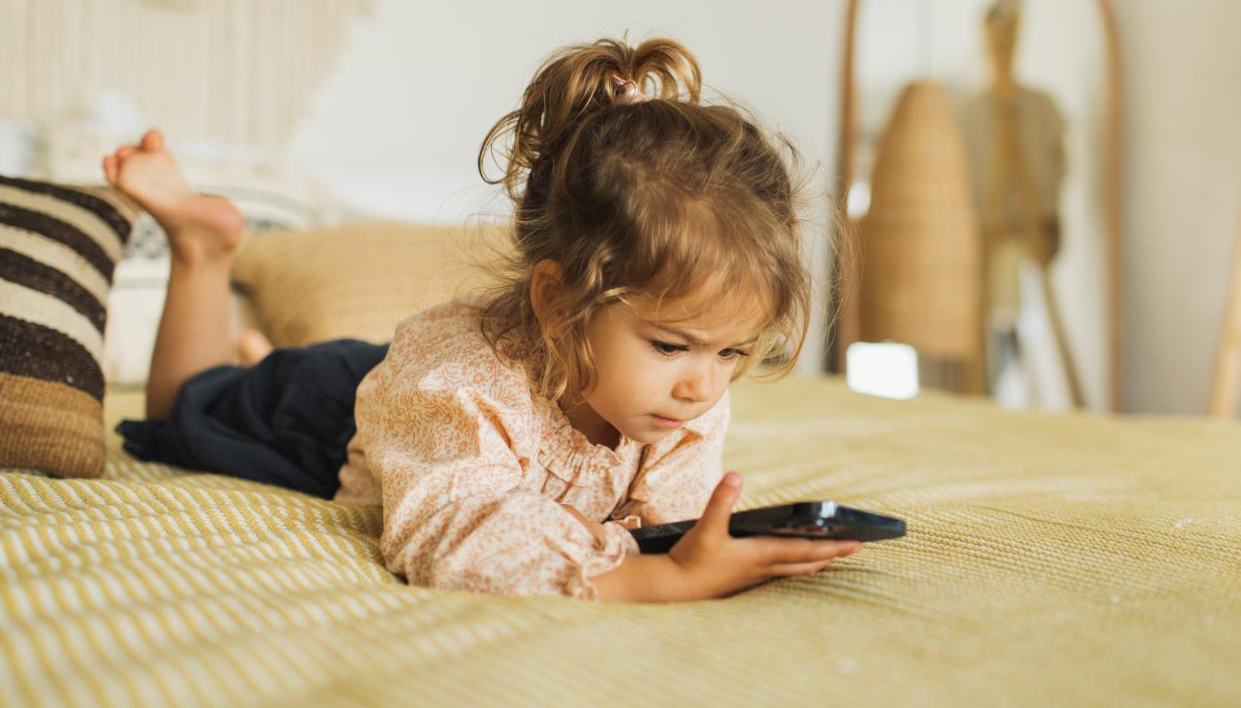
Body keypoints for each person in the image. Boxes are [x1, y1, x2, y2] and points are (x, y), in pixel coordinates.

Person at [107, 37, 862, 603]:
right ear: (556, 302)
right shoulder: (452, 382)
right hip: (333, 411)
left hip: (424, 406)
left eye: (732, 351)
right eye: (670, 344)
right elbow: (450, 542)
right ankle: (201, 251)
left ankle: (255, 346)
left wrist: (693, 546)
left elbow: (658, 527)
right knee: (185, 407)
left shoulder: (685, 391)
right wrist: (655, 585)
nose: (704, 384)